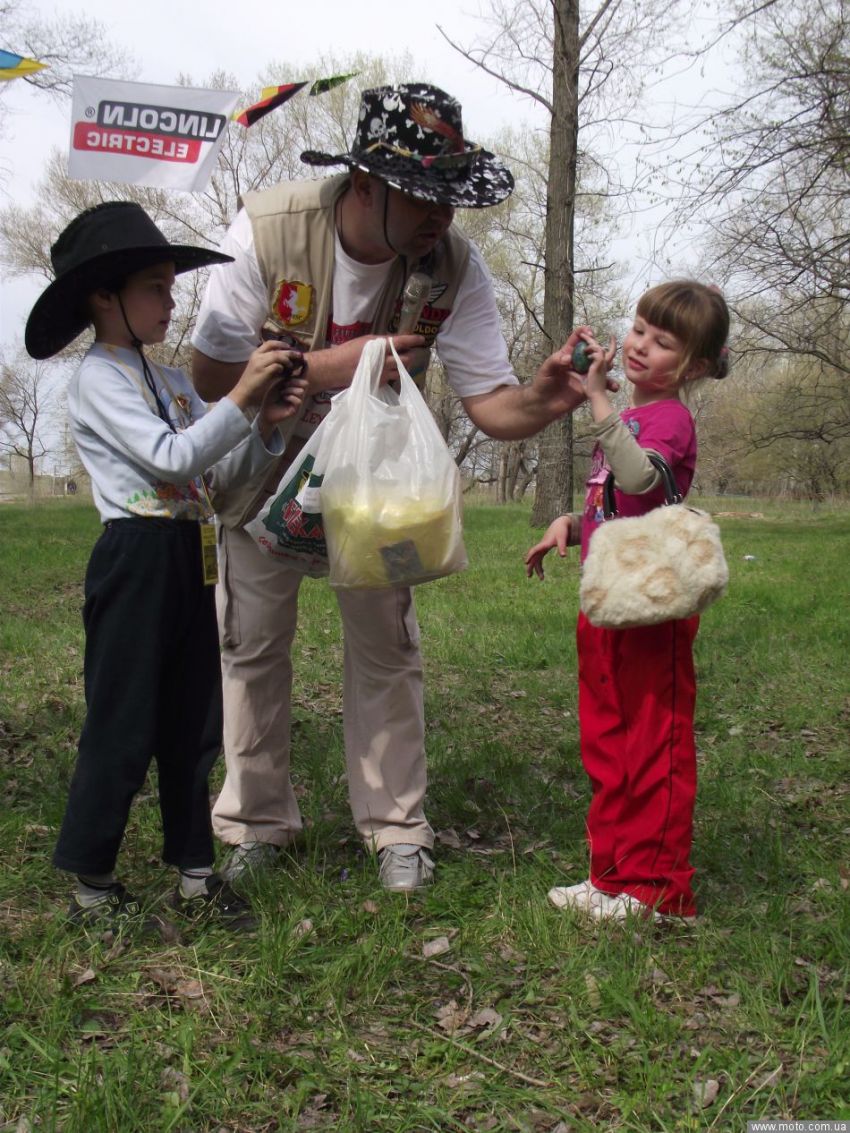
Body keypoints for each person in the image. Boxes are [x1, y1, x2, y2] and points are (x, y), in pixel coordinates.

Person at [191, 83, 598, 892]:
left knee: (387, 645)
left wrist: (547, 397)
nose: (439, 217)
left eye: (451, 197)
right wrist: (324, 367)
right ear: (365, 183)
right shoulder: (268, 230)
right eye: (422, 195)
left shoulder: (452, 266)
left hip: (376, 484)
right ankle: (254, 822)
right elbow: (206, 375)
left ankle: (396, 827)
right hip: (260, 469)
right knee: (252, 643)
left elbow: (492, 405)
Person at [24, 201, 307, 930]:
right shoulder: (98, 379)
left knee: (195, 715)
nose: (170, 299)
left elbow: (212, 474)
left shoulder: (175, 384)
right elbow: (168, 456)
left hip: (191, 553)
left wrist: (265, 424)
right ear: (103, 295)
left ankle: (195, 869)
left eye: (170, 285)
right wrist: (243, 393)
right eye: (155, 285)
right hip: (135, 555)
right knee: (124, 717)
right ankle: (91, 878)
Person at [525, 280, 730, 922]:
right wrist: (572, 522)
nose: (641, 346)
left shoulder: (668, 418)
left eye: (663, 342)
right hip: (607, 604)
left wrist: (595, 401)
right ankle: (611, 877)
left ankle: (658, 890)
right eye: (640, 329)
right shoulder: (631, 415)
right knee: (607, 742)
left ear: (692, 366)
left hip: (654, 609)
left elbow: (643, 478)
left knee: (653, 743)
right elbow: (625, 504)